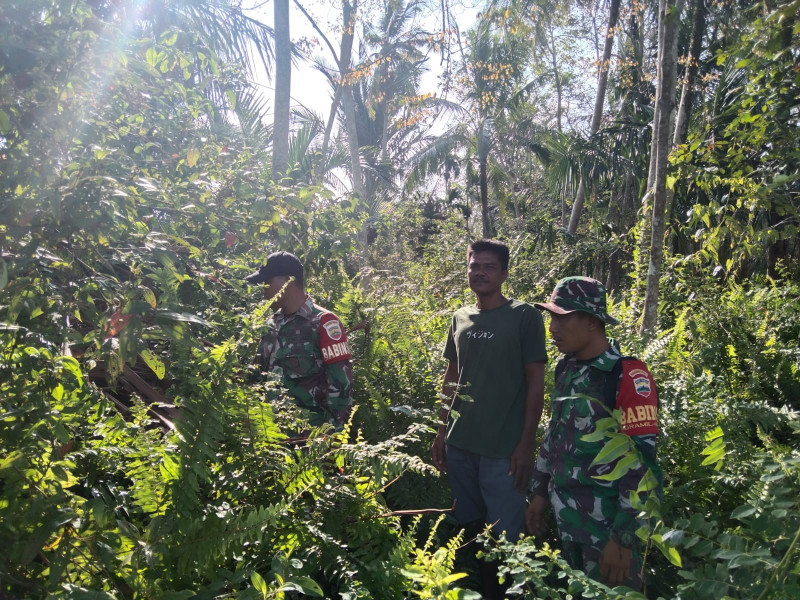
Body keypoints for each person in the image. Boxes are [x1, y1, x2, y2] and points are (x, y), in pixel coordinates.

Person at [527, 276, 661, 590]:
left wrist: (624, 538)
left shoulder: (626, 374)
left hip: (608, 529)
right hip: (569, 521)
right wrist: (539, 493)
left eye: (561, 318)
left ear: (591, 322)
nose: (552, 328)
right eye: (550, 318)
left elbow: (643, 464)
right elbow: (555, 433)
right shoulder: (567, 368)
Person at [430, 239, 547, 599]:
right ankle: (480, 589)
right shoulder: (460, 317)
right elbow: (452, 374)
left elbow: (535, 382)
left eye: (489, 266)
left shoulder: (524, 316)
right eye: (474, 265)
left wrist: (526, 444)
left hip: (503, 450)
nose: (479, 272)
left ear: (505, 274)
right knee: (471, 528)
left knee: (505, 537)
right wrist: (440, 430)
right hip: (460, 444)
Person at [245, 251, 353, 429]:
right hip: (271, 440)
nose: (262, 289)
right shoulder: (270, 326)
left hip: (311, 439)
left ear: (287, 280)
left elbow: (342, 387)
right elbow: (255, 378)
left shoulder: (324, 323)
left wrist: (334, 438)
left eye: (266, 282)